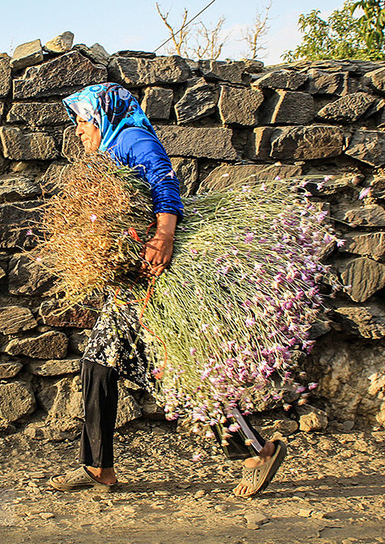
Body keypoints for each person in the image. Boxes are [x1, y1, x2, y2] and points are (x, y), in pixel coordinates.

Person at [48, 82, 286, 498]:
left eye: (84, 120)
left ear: (102, 114)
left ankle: (256, 451)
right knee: (99, 366)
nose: (80, 130)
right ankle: (98, 466)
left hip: (153, 277)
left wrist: (164, 236)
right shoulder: (111, 149)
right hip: (132, 281)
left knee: (178, 368)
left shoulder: (132, 138)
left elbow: (163, 182)